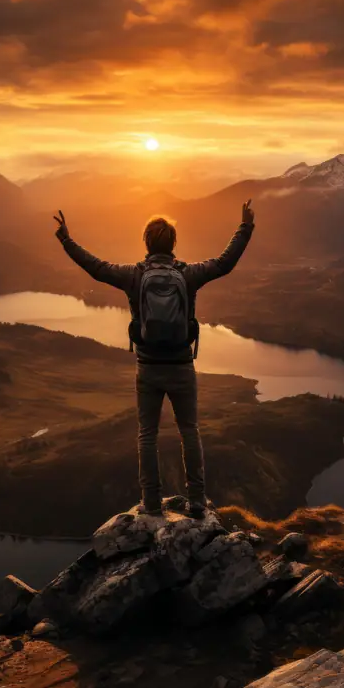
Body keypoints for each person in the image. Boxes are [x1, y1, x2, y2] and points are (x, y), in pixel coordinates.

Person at [54, 200, 255, 517]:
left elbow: (95, 267)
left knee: (147, 434)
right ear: (173, 243)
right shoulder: (187, 275)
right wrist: (245, 227)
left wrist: (66, 240)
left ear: (146, 243)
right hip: (181, 367)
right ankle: (198, 502)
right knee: (189, 431)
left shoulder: (133, 276)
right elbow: (224, 263)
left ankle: (150, 502)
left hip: (147, 368)